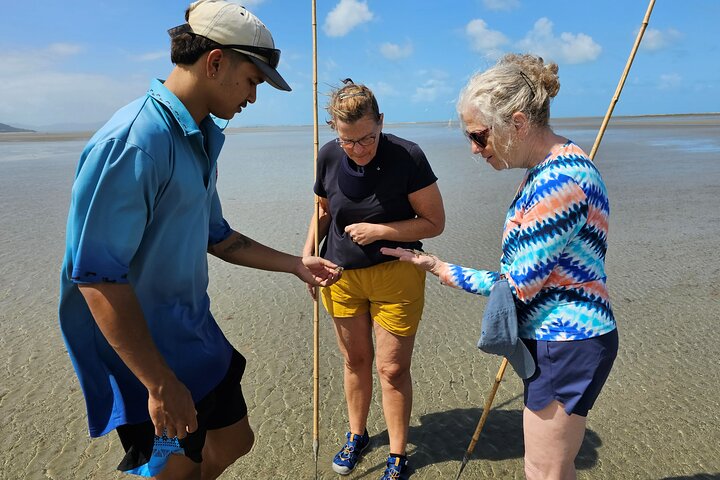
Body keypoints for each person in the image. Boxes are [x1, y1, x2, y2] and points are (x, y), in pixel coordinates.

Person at [58, 1, 341, 478]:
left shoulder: (199, 136)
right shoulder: (134, 141)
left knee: (235, 439)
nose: (253, 97)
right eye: (253, 80)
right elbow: (97, 278)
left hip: (194, 335)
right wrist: (159, 383)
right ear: (215, 62)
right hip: (146, 354)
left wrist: (295, 263)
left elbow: (218, 236)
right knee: (175, 470)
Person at [383, 53, 619, 480]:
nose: (474, 149)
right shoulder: (554, 165)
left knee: (542, 470)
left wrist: (439, 267)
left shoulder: (558, 181)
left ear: (517, 122)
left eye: (479, 135)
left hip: (565, 339)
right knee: (552, 468)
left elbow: (517, 286)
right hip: (563, 336)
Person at [303, 80, 445, 480]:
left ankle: (397, 453)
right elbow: (323, 210)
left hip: (396, 276)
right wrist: (306, 257)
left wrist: (380, 231)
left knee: (392, 370)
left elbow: (434, 223)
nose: (359, 149)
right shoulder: (328, 155)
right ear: (335, 129)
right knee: (355, 360)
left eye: (368, 137)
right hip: (340, 276)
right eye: (348, 140)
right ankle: (357, 434)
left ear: (381, 122)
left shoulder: (408, 156)